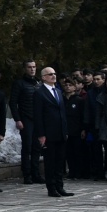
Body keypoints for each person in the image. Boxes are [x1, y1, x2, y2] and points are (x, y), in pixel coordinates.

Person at [32, 65, 73, 198]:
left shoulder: (58, 92)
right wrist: (41, 134)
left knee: (60, 161)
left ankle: (60, 186)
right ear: (44, 77)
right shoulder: (39, 93)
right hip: (48, 132)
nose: (53, 76)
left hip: (60, 131)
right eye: (50, 74)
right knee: (50, 161)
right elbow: (38, 115)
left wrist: (65, 130)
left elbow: (62, 113)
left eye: (54, 73)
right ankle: (51, 187)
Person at [10, 60, 41, 184]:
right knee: (27, 147)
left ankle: (36, 173)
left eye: (34, 67)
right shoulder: (19, 84)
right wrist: (18, 119)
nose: (32, 69)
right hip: (26, 118)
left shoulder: (39, 84)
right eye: (29, 67)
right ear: (25, 68)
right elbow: (13, 102)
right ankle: (27, 174)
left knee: (37, 147)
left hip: (37, 119)